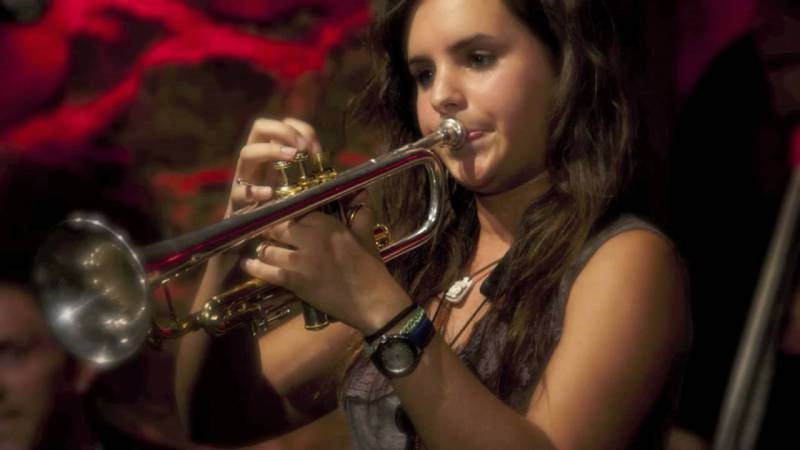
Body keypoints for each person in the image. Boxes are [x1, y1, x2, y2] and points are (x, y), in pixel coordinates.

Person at [176, 1, 690, 449]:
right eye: (423, 74)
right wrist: (233, 244)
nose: (441, 94)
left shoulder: (629, 259)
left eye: (478, 58)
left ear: (565, 68)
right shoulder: (423, 262)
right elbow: (217, 418)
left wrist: (380, 309)